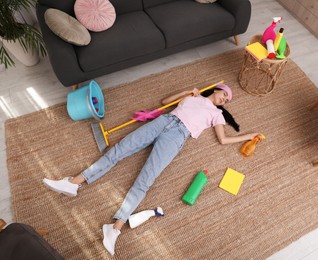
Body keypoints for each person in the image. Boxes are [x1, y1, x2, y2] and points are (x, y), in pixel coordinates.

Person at [42, 83, 262, 255]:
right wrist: (188, 91)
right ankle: (73, 183)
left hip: (177, 136)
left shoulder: (217, 114)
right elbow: (165, 101)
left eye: (228, 100)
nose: (225, 98)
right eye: (225, 94)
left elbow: (223, 140)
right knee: (119, 150)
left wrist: (249, 136)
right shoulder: (193, 96)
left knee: (145, 180)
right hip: (164, 120)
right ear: (217, 89)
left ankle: (115, 227)